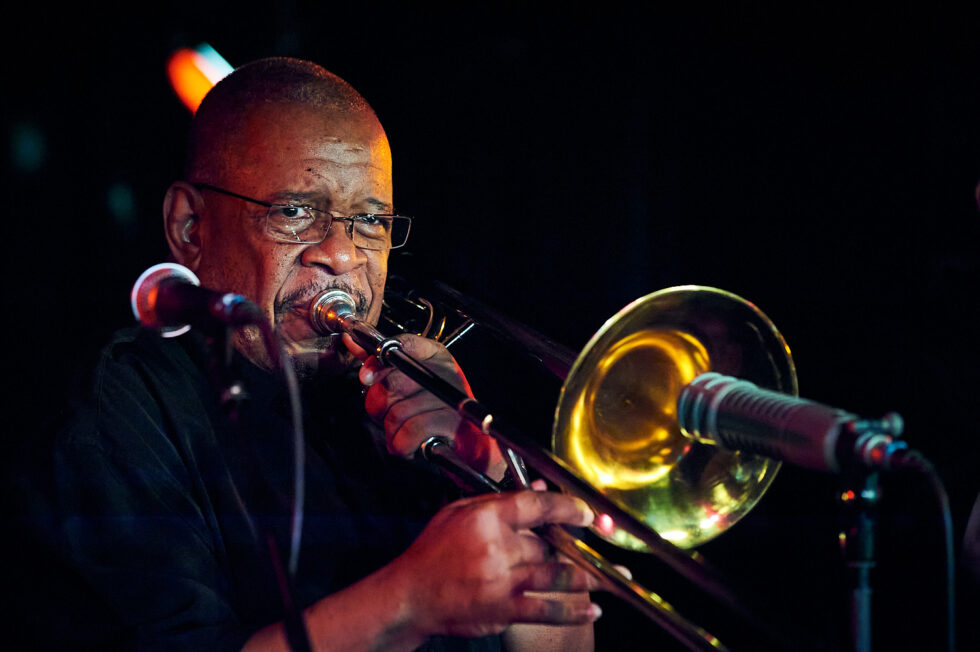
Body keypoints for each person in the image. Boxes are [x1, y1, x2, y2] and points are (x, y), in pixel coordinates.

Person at [12, 58, 601, 651]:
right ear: (191, 226)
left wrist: (485, 477)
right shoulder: (122, 411)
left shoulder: (398, 395)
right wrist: (410, 601)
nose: (343, 254)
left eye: (370, 220)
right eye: (295, 211)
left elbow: (563, 646)